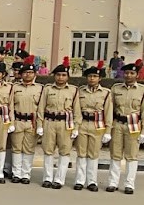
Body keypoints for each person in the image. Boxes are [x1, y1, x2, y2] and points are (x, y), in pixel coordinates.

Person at [37, 58, 81, 189]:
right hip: (50, 122)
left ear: (67, 77)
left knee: (64, 152)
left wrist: (76, 127)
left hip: (65, 123)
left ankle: (59, 179)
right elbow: (41, 108)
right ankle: (47, 178)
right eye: (58, 75)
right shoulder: (48, 89)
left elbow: (76, 110)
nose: (61, 77)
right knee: (48, 151)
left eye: (63, 75)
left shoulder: (73, 90)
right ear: (54, 76)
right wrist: (40, 125)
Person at [107, 61, 144, 194]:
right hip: (118, 123)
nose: (128, 75)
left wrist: (143, 132)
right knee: (115, 154)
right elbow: (110, 109)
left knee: (132, 156)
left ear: (137, 75)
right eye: (127, 73)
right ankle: (113, 182)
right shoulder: (116, 89)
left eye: (132, 73)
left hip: (133, 125)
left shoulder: (142, 90)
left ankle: (129, 184)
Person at [74, 63, 112, 191]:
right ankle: (79, 180)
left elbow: (108, 112)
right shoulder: (80, 91)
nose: (92, 79)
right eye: (90, 76)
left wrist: (108, 130)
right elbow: (77, 110)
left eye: (95, 76)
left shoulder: (106, 93)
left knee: (93, 154)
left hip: (97, 125)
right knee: (81, 153)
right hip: (83, 123)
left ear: (100, 78)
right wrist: (75, 126)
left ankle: (92, 181)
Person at [9, 59, 43, 184]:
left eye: (30, 72)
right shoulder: (14, 87)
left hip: (31, 122)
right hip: (18, 119)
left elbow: (41, 108)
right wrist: (11, 123)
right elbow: (11, 106)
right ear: (21, 74)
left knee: (29, 149)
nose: (27, 75)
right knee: (16, 148)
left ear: (35, 74)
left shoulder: (40, 89)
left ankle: (26, 174)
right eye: (25, 72)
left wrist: (40, 125)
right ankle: (16, 173)